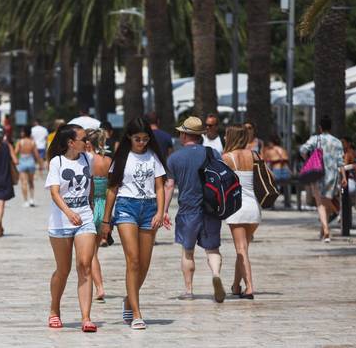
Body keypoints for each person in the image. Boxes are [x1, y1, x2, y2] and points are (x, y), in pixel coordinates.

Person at [100, 117, 167, 330]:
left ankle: (129, 299)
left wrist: (160, 211)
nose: (142, 143)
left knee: (145, 264)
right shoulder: (121, 158)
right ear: (129, 136)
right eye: (138, 139)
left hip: (149, 209)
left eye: (145, 139)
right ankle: (137, 313)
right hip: (126, 207)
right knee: (134, 260)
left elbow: (159, 187)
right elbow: (112, 189)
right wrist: (106, 220)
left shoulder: (153, 156)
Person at [163, 116, 226, 303]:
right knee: (212, 249)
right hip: (211, 208)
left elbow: (169, 186)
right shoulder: (213, 153)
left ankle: (189, 290)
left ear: (184, 135)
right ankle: (215, 274)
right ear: (200, 135)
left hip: (188, 210)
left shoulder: (175, 158)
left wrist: (164, 210)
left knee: (187, 251)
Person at [45, 124, 98, 333]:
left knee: (85, 265)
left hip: (84, 217)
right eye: (83, 139)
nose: (87, 142)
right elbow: (55, 193)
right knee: (63, 270)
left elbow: (91, 183)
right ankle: (54, 309)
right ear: (70, 142)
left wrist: (92, 208)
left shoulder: (89, 159)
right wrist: (69, 213)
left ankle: (86, 317)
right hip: (61, 221)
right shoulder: (56, 162)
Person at [222, 125, 261, 299]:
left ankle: (250, 287)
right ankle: (236, 286)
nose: (223, 137)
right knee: (244, 249)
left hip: (237, 207)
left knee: (241, 249)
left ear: (231, 137)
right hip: (254, 208)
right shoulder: (254, 155)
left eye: (226, 135)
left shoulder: (226, 158)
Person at [300, 116, 346, 243]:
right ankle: (323, 230)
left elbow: (303, 149)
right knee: (326, 202)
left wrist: (307, 159)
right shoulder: (337, 142)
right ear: (331, 127)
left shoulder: (316, 139)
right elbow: (340, 161)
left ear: (320, 127)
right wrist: (344, 176)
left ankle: (326, 230)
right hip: (333, 175)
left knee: (320, 203)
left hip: (318, 174)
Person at [85, 128, 112, 303]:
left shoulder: (88, 161)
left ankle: (99, 287)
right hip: (105, 205)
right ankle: (99, 286)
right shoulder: (109, 160)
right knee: (95, 252)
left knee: (91, 253)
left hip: (91, 205)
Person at [15, 126, 42, 207]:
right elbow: (36, 155)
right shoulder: (32, 142)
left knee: (24, 183)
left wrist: (14, 161)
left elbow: (15, 152)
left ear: (24, 133)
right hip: (31, 162)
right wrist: (40, 163)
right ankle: (32, 199)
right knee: (31, 182)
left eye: (22, 132)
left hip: (22, 162)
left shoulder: (20, 142)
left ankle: (26, 201)